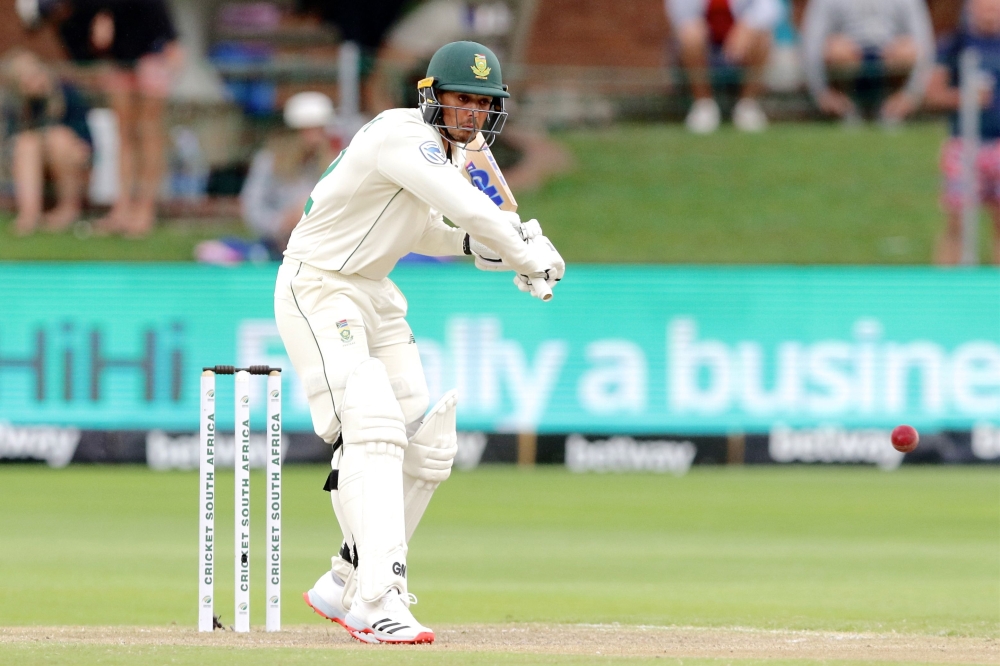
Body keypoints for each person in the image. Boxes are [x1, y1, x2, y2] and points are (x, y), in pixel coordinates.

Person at [275, 40, 564, 644]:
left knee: (424, 445)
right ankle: (376, 598)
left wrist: (477, 247)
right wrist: (521, 249)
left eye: (484, 105)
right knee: (372, 426)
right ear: (431, 97)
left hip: (375, 290)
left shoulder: (456, 151)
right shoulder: (400, 136)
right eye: (462, 100)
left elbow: (429, 225)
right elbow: (469, 208)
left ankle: (345, 576)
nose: (473, 115)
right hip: (320, 285)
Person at [18, 0, 183, 237]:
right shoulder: (80, 13)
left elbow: (168, 36)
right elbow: (88, 50)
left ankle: (145, 209)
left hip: (151, 55)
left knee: (148, 132)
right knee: (124, 134)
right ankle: (122, 209)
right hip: (118, 61)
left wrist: (167, 61)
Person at [924, 0, 1000, 264]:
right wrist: (966, 99)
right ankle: (946, 290)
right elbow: (932, 94)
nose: (989, 12)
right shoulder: (956, 45)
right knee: (958, 223)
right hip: (965, 145)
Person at [1, 48, 92, 235]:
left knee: (57, 138)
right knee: (27, 143)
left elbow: (84, 139)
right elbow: (12, 141)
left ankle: (68, 209)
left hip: (70, 159)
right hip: (30, 163)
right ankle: (29, 214)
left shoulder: (66, 93)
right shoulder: (15, 102)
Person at [801, 0, 934, 124]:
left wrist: (912, 95)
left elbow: (924, 44)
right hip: (848, 65)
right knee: (837, 49)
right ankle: (848, 108)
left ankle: (891, 108)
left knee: (907, 50)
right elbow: (812, 43)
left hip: (889, 63)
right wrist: (821, 93)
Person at [240, 92, 339, 258]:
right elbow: (252, 208)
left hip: (324, 250)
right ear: (291, 132)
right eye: (307, 131)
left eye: (319, 130)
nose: (313, 139)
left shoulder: (336, 164)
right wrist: (282, 222)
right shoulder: (269, 161)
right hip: (276, 248)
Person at [666, 0, 784, 133]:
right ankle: (703, 105)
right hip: (705, 45)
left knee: (763, 36)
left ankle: (747, 106)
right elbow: (680, 16)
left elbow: (771, 9)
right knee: (690, 35)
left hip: (741, 46)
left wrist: (746, 26)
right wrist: (697, 27)